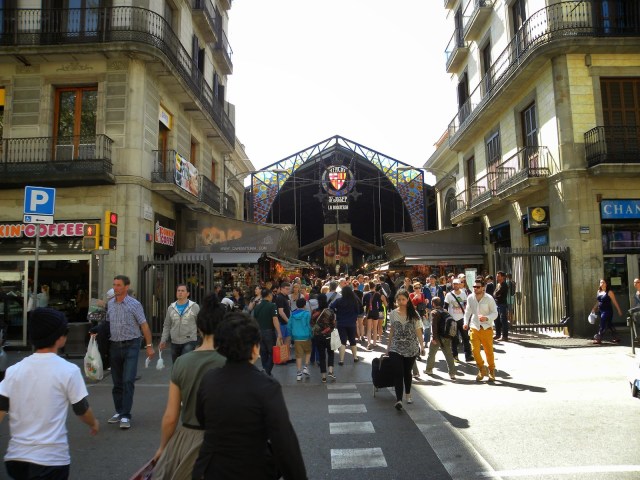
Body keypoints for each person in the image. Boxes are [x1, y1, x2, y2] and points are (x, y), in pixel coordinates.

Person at [193, 312, 308, 479]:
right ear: (255, 348)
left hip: (211, 468)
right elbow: (284, 441)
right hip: (253, 467)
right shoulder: (267, 386)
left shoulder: (209, 380)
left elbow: (201, 419)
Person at [0, 308, 99, 479]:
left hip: (16, 459)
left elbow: (1, 409)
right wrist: (93, 423)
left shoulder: (13, 371)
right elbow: (82, 410)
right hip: (51, 460)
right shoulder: (68, 370)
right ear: (60, 337)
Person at [152, 294, 226, 480]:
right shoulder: (230, 362)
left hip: (188, 440)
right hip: (224, 441)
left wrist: (163, 447)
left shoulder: (182, 363)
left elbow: (171, 416)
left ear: (199, 328)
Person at [106, 275, 154, 429]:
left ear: (126, 287)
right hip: (114, 345)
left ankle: (126, 415)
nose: (115, 288)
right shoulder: (110, 304)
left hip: (132, 345)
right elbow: (107, 323)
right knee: (117, 382)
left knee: (128, 380)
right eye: (114, 285)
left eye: (119, 285)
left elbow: (144, 325)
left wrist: (149, 345)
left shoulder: (134, 304)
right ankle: (119, 411)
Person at [386, 290, 424, 410]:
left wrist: (422, 345)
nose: (401, 302)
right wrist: (388, 346)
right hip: (395, 347)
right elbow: (392, 330)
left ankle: (408, 394)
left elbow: (418, 331)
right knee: (398, 372)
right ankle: (399, 400)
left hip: (411, 347)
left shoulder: (414, 314)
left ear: (408, 300)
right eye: (399, 300)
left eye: (403, 299)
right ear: (396, 301)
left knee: (407, 372)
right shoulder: (393, 313)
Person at [463, 279, 498, 382]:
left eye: (477, 287)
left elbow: (495, 313)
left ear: (483, 288)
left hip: (486, 328)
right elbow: (467, 311)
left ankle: (491, 370)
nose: (475, 289)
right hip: (474, 326)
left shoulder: (489, 298)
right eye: (474, 287)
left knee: (489, 352)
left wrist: (486, 318)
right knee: (474, 351)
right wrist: (465, 323)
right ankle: (482, 368)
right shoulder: (470, 297)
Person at [159, 284, 200, 364]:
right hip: (175, 341)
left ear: (188, 293)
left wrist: (203, 341)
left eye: (182, 291)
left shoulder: (195, 307)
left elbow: (200, 324)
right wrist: (163, 340)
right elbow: (167, 325)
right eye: (178, 291)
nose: (180, 292)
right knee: (176, 365)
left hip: (189, 340)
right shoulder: (171, 307)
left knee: (184, 364)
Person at [424, 297, 457, 381]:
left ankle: (429, 370)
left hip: (438, 337)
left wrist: (434, 338)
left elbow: (434, 326)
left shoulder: (434, 312)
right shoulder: (445, 311)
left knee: (432, 354)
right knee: (448, 355)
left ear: (433, 303)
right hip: (446, 336)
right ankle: (452, 373)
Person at [252, 288, 282, 376]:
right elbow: (275, 319)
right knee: (273, 353)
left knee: (263, 353)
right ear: (269, 295)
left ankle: (266, 370)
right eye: (271, 294)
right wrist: (279, 333)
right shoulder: (272, 306)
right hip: (269, 332)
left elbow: (254, 320)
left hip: (259, 332)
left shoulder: (257, 307)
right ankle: (266, 371)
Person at [330, 286, 362, 365]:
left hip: (341, 323)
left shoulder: (338, 300)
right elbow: (358, 311)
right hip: (352, 323)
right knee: (352, 340)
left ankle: (341, 360)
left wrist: (337, 312)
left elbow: (331, 307)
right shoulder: (354, 301)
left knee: (342, 341)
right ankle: (355, 357)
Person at [445, 278, 472, 362]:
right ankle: (455, 356)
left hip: (462, 319)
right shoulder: (449, 295)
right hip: (453, 319)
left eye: (457, 284)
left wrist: (467, 317)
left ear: (460, 284)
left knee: (465, 338)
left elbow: (466, 305)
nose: (455, 285)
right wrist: (447, 318)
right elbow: (445, 307)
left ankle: (468, 356)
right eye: (454, 284)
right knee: (454, 339)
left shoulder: (463, 294)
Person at [311, 294, 336, 383]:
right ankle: (330, 371)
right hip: (329, 336)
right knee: (331, 353)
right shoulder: (330, 311)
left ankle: (323, 377)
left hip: (318, 336)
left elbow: (312, 323)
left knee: (322, 356)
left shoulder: (314, 311)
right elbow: (333, 324)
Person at [592, 278, 623, 344]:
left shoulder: (609, 292)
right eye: (601, 282)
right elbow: (598, 301)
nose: (602, 284)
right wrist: (594, 308)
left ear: (606, 284)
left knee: (602, 323)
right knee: (609, 324)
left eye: (603, 282)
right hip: (601, 311)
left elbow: (615, 302)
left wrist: (619, 310)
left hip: (607, 311)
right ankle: (616, 337)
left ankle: (599, 338)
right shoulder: (598, 291)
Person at [289, 298, 313, 381]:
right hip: (306, 336)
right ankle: (305, 367)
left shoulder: (292, 314)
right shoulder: (307, 314)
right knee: (308, 352)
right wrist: (311, 334)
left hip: (296, 337)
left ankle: (299, 373)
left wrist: (292, 335)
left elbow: (289, 326)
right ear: (304, 305)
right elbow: (309, 325)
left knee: (298, 355)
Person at [275, 282, 292, 355]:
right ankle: (282, 357)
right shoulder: (280, 297)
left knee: (288, 339)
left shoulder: (286, 296)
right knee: (281, 341)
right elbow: (281, 312)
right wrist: (288, 321)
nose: (288, 291)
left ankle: (285, 356)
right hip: (282, 322)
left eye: (289, 289)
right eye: (286, 289)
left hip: (286, 322)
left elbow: (288, 308)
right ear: (281, 289)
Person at [493, 271, 509, 341]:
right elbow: (494, 293)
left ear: (503, 277)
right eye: (497, 276)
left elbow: (497, 293)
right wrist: (496, 294)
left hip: (502, 304)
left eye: (499, 276)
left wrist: (496, 294)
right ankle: (498, 334)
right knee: (496, 320)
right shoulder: (498, 284)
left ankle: (505, 336)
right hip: (497, 304)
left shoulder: (504, 285)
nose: (497, 277)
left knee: (503, 320)